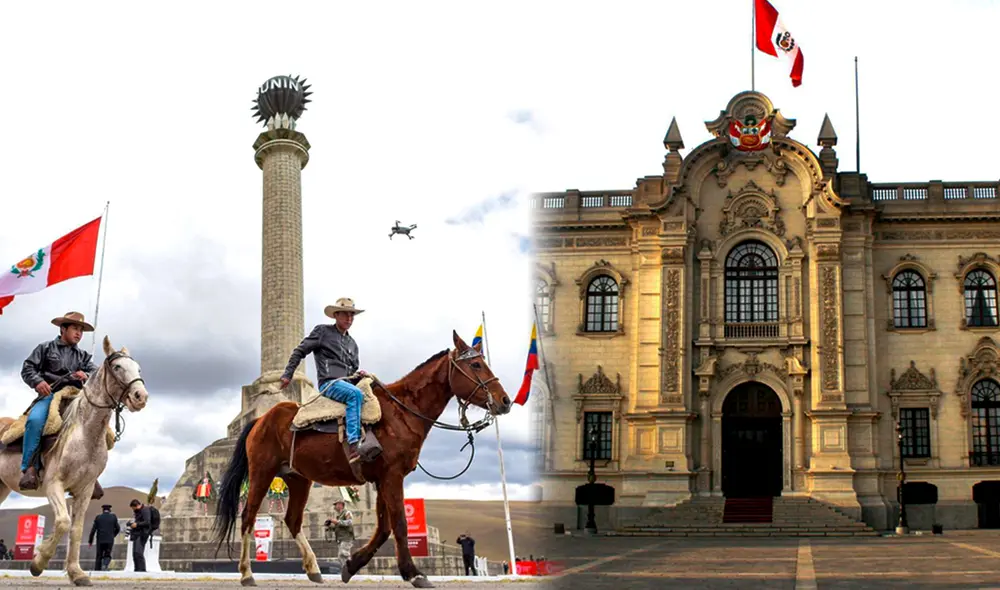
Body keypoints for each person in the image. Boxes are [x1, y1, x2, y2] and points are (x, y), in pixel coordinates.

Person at [19, 312, 104, 497]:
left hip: (75, 397)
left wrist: (87, 376)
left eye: (81, 330)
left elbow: (98, 374)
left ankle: (90, 473)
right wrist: (37, 382)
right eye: (75, 328)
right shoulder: (45, 348)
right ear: (63, 329)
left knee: (101, 427)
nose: (79, 333)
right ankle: (30, 468)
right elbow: (28, 368)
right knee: (34, 421)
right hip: (51, 394)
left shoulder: (83, 356)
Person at [280, 298, 367, 463]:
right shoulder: (322, 332)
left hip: (348, 384)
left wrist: (359, 375)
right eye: (345, 315)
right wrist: (288, 374)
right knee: (355, 395)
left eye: (352, 315)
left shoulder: (352, 344)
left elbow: (352, 369)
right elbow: (300, 351)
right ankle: (353, 444)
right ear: (335, 315)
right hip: (330, 383)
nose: (349, 319)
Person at [325, 499, 355, 571]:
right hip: (341, 539)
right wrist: (329, 526)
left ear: (341, 505)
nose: (335, 506)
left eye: (336, 504)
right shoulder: (339, 516)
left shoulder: (347, 513)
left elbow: (349, 523)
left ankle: (349, 571)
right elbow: (336, 528)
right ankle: (348, 570)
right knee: (342, 556)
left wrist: (337, 521)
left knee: (343, 555)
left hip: (346, 538)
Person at [88, 504, 120, 571]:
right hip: (109, 540)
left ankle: (97, 570)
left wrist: (90, 541)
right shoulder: (113, 517)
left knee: (99, 555)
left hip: (100, 540)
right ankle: (105, 565)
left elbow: (93, 530)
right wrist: (113, 535)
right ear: (110, 510)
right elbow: (118, 528)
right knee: (107, 554)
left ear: (102, 510)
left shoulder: (98, 517)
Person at [128, 499, 152, 572]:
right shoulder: (138, 511)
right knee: (135, 553)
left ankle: (142, 569)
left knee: (138, 552)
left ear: (137, 505)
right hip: (137, 534)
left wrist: (137, 524)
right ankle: (137, 569)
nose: (133, 510)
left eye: (133, 508)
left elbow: (147, 522)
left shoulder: (145, 510)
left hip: (142, 534)